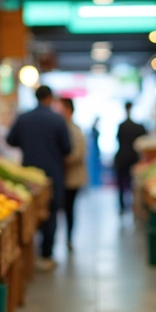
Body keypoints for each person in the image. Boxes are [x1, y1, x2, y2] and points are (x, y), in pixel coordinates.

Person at [7, 85, 71, 270]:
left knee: (30, 214)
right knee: (50, 213)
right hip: (52, 175)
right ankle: (45, 255)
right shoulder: (58, 120)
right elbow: (67, 149)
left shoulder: (23, 118)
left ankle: (29, 256)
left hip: (28, 175)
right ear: (50, 98)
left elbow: (10, 140)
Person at [59, 98, 87, 251]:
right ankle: (67, 237)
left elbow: (78, 153)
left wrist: (63, 160)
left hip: (72, 177)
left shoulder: (74, 130)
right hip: (65, 177)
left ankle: (69, 237)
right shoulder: (62, 127)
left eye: (61, 108)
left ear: (68, 109)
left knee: (69, 208)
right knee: (66, 208)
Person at [115, 101, 147, 214]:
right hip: (133, 158)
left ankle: (122, 206)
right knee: (133, 183)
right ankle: (134, 205)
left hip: (122, 158)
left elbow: (117, 140)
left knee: (121, 184)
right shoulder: (138, 127)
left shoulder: (121, 126)